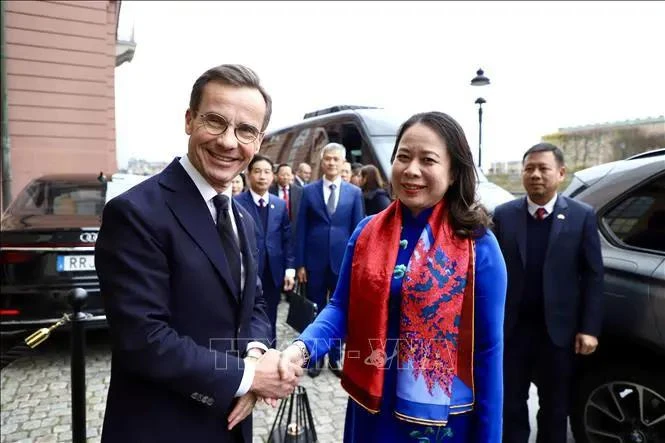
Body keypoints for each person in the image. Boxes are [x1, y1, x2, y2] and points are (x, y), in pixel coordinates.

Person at [95, 64, 302, 443]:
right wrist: (251, 378)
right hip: (163, 426)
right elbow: (144, 339)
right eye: (215, 121)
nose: (228, 141)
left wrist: (255, 355)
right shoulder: (136, 212)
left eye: (245, 131)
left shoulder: (241, 216)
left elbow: (254, 303)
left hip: (232, 421)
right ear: (189, 120)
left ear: (258, 142)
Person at [281, 111, 507, 442]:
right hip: (372, 407)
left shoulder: (477, 246)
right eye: (403, 156)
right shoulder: (366, 233)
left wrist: (489, 437)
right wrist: (301, 349)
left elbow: (488, 351)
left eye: (428, 160)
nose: (411, 169)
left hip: (443, 421)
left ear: (455, 171)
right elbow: (342, 308)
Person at [493, 143, 604, 443]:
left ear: (561, 173)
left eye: (543, 168)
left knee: (555, 408)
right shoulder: (504, 216)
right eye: (529, 168)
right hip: (513, 329)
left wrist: (589, 328)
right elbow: (489, 274)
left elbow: (593, 275)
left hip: (559, 332)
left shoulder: (582, 216)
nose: (535, 175)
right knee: (510, 405)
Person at [294, 142, 364, 378]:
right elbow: (300, 229)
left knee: (341, 311)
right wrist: (300, 264)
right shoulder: (309, 191)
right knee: (315, 310)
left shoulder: (354, 193)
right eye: (328, 159)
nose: (332, 163)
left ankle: (335, 358)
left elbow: (359, 230)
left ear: (343, 163)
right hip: (314, 262)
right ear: (322, 161)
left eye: (336, 159)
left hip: (343, 263)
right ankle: (314, 357)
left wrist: (358, 264)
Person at [235, 155, 295, 347]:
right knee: (247, 314)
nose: (262, 176)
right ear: (248, 174)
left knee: (271, 314)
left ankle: (271, 350)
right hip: (247, 271)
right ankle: (249, 353)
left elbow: (287, 239)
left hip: (273, 271)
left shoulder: (279, 205)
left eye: (267, 172)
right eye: (258, 171)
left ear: (273, 176)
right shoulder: (236, 202)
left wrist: (290, 269)